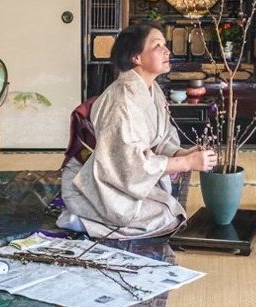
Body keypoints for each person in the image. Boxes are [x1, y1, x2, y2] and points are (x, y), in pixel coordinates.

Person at [58, 23, 217, 240]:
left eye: (165, 44)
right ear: (136, 58)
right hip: (91, 184)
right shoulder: (122, 101)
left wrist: (183, 154)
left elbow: (161, 139)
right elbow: (129, 164)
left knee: (171, 210)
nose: (166, 50)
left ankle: (98, 219)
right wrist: (187, 164)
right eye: (157, 45)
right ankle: (82, 220)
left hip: (121, 177)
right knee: (167, 217)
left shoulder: (153, 89)